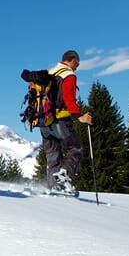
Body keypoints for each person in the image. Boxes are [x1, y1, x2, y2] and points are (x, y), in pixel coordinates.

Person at [41, 50, 93, 194]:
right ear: (73, 60)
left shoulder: (50, 71)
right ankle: (65, 176)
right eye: (78, 62)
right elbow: (68, 97)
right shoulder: (68, 74)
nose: (78, 65)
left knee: (52, 155)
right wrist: (79, 116)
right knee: (75, 149)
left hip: (44, 120)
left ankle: (53, 187)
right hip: (61, 119)